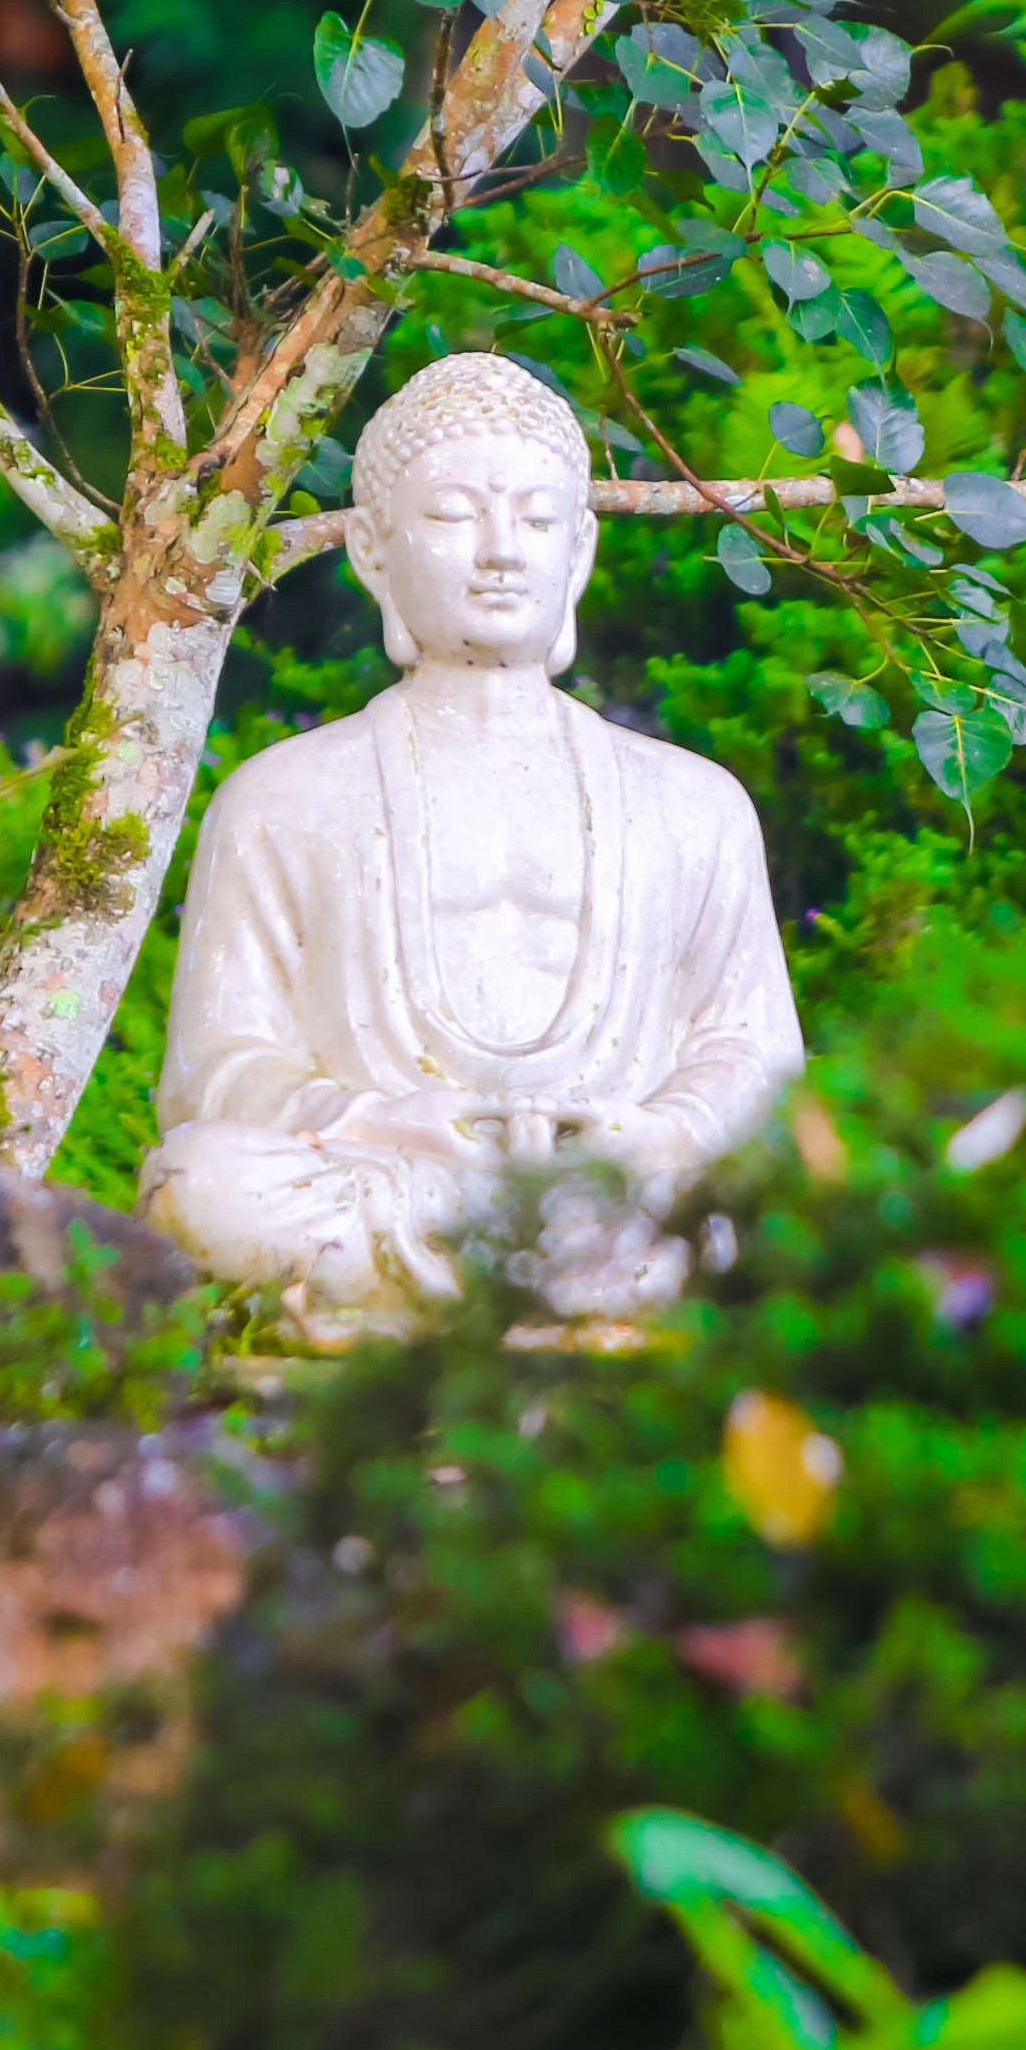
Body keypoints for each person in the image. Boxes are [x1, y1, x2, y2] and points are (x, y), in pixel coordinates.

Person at [139, 352, 807, 1334]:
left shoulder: (694, 805)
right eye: (455, 516)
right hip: (396, 1182)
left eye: (536, 521)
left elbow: (757, 1060)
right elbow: (215, 1071)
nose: (501, 553)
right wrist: (372, 1119)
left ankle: (452, 1297)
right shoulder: (282, 800)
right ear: (373, 551)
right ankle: (562, 1288)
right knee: (201, 1184)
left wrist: (656, 1131)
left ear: (579, 550)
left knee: (777, 1201)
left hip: (618, 1192)